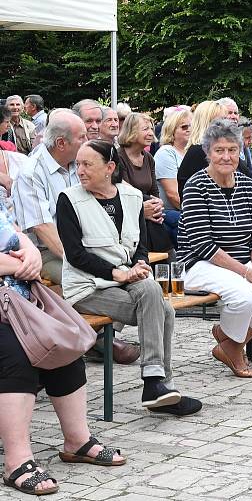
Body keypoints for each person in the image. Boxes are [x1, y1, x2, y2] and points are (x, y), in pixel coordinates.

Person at [57, 140, 201, 416]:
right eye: (78, 164)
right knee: (164, 311)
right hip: (87, 287)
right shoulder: (69, 199)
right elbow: (75, 255)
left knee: (151, 291)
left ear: (110, 167)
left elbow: (141, 246)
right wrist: (118, 272)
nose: (80, 171)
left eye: (88, 164)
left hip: (127, 282)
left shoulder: (133, 196)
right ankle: (158, 383)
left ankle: (158, 386)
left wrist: (140, 265)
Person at [0, 202, 126, 496]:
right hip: (9, 300)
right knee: (14, 354)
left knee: (60, 342)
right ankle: (17, 460)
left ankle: (77, 441)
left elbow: (15, 233)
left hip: (16, 299)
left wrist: (30, 251)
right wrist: (19, 264)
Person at [177, 119, 252, 378]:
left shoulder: (246, 185)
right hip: (201, 264)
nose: (226, 156)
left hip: (243, 262)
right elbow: (202, 245)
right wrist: (249, 276)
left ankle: (231, 341)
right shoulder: (195, 186)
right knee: (247, 295)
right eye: (219, 150)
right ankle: (233, 348)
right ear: (208, 153)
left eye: (232, 150)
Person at [12, 109, 83, 285]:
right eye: (82, 137)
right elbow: (42, 227)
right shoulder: (31, 172)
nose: (87, 142)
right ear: (61, 143)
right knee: (80, 281)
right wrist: (82, 260)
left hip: (81, 245)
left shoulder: (79, 163)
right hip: (47, 251)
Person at [117, 113, 172, 253]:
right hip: (127, 214)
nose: (150, 133)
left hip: (149, 213)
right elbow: (123, 192)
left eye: (151, 129)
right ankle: (165, 262)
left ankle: (165, 262)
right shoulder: (118, 157)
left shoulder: (148, 158)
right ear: (131, 131)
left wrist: (158, 206)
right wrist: (146, 208)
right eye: (145, 129)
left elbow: (154, 192)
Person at [155, 109, 192, 247]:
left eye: (191, 126)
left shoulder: (190, 152)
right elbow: (173, 194)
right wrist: (195, 213)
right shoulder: (166, 153)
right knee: (190, 223)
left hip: (186, 208)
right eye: (184, 127)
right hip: (169, 211)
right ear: (172, 131)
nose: (189, 129)